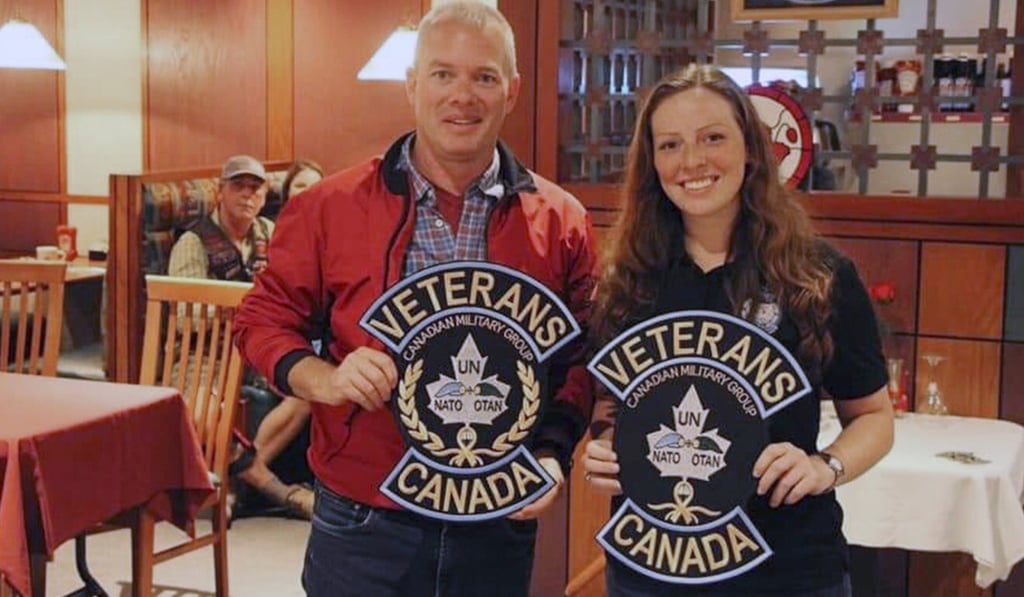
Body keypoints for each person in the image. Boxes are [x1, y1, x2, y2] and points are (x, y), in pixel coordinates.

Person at [233, 4, 596, 596]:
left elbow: (580, 356)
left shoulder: (562, 221)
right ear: (412, 85)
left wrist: (554, 451)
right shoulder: (328, 206)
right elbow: (261, 320)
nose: (463, 95)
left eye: (484, 76)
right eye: (442, 74)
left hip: (497, 515)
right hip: (364, 517)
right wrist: (323, 379)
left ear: (512, 92)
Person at [582, 64, 893, 597]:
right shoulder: (625, 281)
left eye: (713, 138)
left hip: (789, 569)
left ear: (750, 149)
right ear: (652, 163)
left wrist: (826, 467)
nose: (693, 162)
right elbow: (610, 415)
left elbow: (874, 417)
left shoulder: (818, 275)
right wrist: (604, 452)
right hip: (653, 569)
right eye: (671, 145)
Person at [167, 154, 313, 518]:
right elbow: (187, 320)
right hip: (204, 356)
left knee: (312, 390)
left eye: (255, 188)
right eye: (238, 186)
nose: (247, 195)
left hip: (258, 351)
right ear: (220, 192)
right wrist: (246, 311)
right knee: (203, 407)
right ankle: (276, 489)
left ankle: (237, 481)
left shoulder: (271, 233)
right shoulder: (193, 241)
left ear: (264, 196)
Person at [240, 159, 326, 518]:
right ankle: (249, 471)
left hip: (309, 335)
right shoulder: (278, 235)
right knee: (310, 387)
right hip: (254, 341)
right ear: (287, 194)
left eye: (317, 187)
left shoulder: (324, 231)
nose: (311, 195)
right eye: (301, 187)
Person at [260, 159, 324, 220]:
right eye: (300, 186)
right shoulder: (269, 226)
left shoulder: (329, 225)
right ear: (287, 190)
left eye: (314, 187)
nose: (307, 191)